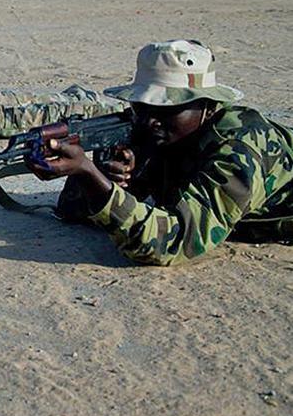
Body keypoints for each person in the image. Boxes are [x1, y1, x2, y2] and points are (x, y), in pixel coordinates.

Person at [26, 40, 293, 266]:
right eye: (141, 106)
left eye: (167, 109)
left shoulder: (239, 149)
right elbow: (72, 211)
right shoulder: (161, 134)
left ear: (207, 106)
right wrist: (107, 178)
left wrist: (90, 174)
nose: (150, 121)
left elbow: (171, 243)